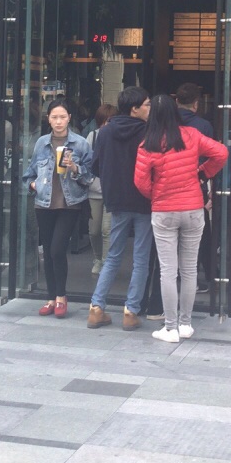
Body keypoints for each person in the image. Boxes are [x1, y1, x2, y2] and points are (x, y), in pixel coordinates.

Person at [134, 93, 228, 343]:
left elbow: (140, 182)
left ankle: (170, 327)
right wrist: (202, 174)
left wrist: (156, 194)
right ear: (175, 112)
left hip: (164, 211)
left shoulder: (147, 144)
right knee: (189, 270)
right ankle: (186, 324)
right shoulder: (192, 135)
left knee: (168, 271)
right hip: (193, 209)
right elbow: (221, 153)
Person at [86, 85, 152, 332]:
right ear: (134, 109)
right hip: (144, 200)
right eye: (147, 104)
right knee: (141, 258)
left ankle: (96, 308)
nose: (150, 108)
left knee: (113, 255)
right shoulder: (148, 132)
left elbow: (95, 166)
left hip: (116, 201)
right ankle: (131, 312)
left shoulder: (105, 132)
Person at [22, 97, 92, 317]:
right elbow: (29, 173)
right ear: (48, 119)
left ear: (69, 118)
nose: (59, 121)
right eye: (55, 117)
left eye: (62, 117)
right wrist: (32, 185)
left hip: (70, 203)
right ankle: (51, 298)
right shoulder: (41, 142)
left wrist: (75, 168)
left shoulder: (80, 143)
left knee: (57, 249)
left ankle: (61, 296)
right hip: (44, 203)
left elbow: (89, 176)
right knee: (49, 252)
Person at [176, 82, 214, 294]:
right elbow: (214, 156)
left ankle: (175, 277)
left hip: (169, 190)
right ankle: (204, 275)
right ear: (196, 104)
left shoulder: (166, 124)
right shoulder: (204, 126)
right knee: (200, 235)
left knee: (172, 237)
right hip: (196, 186)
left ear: (176, 101)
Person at [86, 103, 117, 275]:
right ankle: (98, 258)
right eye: (104, 121)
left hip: (112, 191)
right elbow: (85, 160)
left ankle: (105, 264)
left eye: (110, 121)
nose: (106, 124)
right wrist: (89, 180)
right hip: (94, 190)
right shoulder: (93, 136)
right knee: (94, 231)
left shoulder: (118, 136)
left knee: (107, 230)